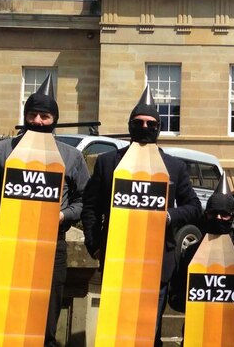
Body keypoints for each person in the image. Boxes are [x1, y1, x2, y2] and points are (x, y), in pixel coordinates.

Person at [81, 87, 202, 347]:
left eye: (150, 123)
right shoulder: (107, 163)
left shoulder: (174, 167)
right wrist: (94, 244)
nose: (144, 127)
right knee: (115, 328)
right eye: (139, 123)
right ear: (130, 125)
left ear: (158, 127)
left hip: (157, 262)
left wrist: (169, 215)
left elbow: (194, 206)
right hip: (117, 260)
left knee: (149, 331)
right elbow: (91, 205)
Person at [0, 76, 89, 347]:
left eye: (45, 115)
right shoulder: (1, 151)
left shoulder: (71, 157)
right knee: (7, 311)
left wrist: (63, 215)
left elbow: (85, 201)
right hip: (10, 244)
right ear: (25, 116)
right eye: (32, 114)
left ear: (54, 119)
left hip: (53, 245)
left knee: (46, 312)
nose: (38, 121)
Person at [170, 179, 234, 346]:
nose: (218, 218)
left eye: (224, 214)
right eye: (213, 214)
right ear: (206, 214)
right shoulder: (192, 252)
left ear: (232, 216)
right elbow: (176, 297)